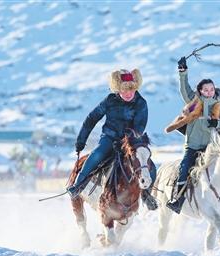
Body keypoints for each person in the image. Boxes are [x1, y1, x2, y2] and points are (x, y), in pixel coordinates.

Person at [67, 69, 158, 210]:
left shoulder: (141, 103)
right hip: (109, 138)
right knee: (96, 155)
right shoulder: (109, 100)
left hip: (130, 142)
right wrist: (81, 140)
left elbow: (139, 127)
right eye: (124, 90)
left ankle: (146, 195)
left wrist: (127, 140)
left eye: (131, 89)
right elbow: (91, 119)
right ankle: (78, 186)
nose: (128, 93)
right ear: (118, 89)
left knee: (150, 165)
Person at [166, 57, 220, 215]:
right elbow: (184, 89)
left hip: (212, 148)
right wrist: (183, 72)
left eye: (211, 89)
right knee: (184, 168)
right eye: (205, 90)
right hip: (193, 146)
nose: (209, 92)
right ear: (200, 91)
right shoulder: (193, 103)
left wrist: (219, 124)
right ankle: (178, 199)